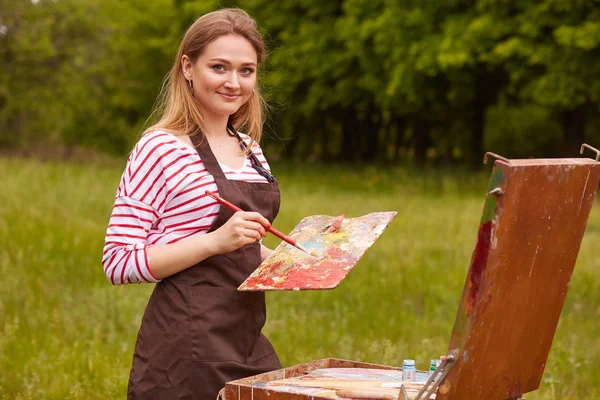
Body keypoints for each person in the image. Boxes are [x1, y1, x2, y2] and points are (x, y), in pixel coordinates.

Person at [102, 8, 284, 399]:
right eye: (219, 67)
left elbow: (242, 247)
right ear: (188, 66)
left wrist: (300, 264)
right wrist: (214, 241)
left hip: (247, 339)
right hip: (184, 349)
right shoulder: (160, 148)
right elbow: (118, 262)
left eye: (246, 70)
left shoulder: (251, 150)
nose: (233, 82)